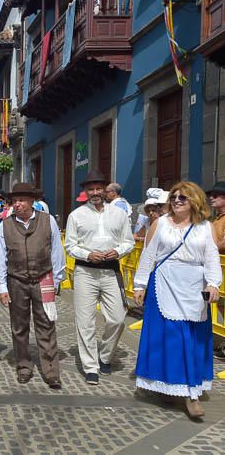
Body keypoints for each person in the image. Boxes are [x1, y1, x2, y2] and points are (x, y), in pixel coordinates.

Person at [133, 182, 221, 419]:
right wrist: (140, 285)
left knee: (191, 338)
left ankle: (191, 392)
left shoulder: (205, 227)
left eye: (183, 197)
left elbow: (211, 257)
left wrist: (213, 283)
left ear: (195, 200)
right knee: (170, 337)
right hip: (165, 283)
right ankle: (170, 384)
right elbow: (148, 255)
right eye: (174, 197)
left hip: (194, 286)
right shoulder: (160, 223)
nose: (177, 201)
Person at [64, 170, 134, 385]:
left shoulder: (119, 214)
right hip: (86, 271)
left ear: (105, 189)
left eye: (98, 188)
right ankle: (90, 366)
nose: (95, 192)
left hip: (111, 270)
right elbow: (70, 245)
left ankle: (104, 355)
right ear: (85, 191)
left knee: (117, 318)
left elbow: (128, 241)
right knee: (85, 321)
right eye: (90, 189)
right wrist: (87, 254)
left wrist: (119, 251)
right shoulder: (76, 215)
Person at [0, 183, 65, 389]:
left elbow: (57, 253)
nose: (17, 204)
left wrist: (56, 280)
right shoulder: (5, 226)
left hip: (43, 279)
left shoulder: (47, 221)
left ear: (32, 201)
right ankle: (23, 366)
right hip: (16, 281)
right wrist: (2, 287)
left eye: (22, 200)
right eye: (14, 201)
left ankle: (51, 371)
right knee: (19, 327)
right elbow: (0, 257)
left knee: (46, 325)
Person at [207, 181, 225, 253]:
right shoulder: (216, 218)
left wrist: (206, 251)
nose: (211, 198)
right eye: (210, 195)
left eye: (215, 196)